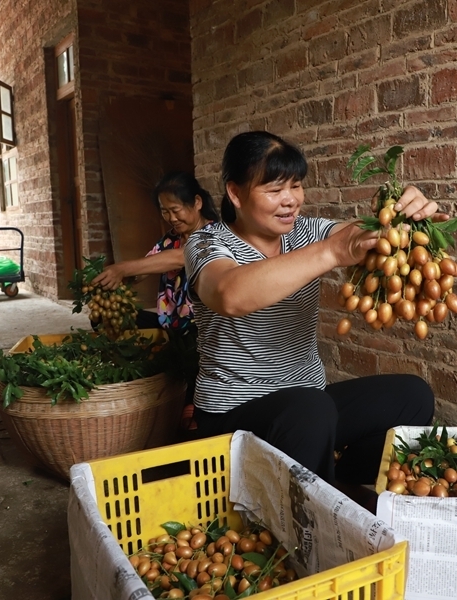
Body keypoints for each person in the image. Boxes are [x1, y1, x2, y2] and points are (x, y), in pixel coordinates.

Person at [184, 131, 437, 492]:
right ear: (235, 193)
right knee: (309, 409)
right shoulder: (207, 242)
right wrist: (332, 253)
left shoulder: (306, 232)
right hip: (233, 416)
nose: (290, 201)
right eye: (274, 190)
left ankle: (336, 485)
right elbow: (229, 294)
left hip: (308, 404)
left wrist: (405, 219)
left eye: (296, 186)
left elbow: (359, 234)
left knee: (413, 398)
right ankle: (314, 505)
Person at [93, 171, 219, 430]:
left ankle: (192, 407)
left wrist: (124, 268)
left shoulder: (215, 235)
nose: (171, 218)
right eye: (165, 212)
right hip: (171, 324)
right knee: (105, 318)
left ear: (196, 202)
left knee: (190, 366)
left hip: (201, 331)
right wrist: (110, 283)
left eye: (176, 210)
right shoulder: (170, 239)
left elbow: (182, 257)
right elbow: (147, 266)